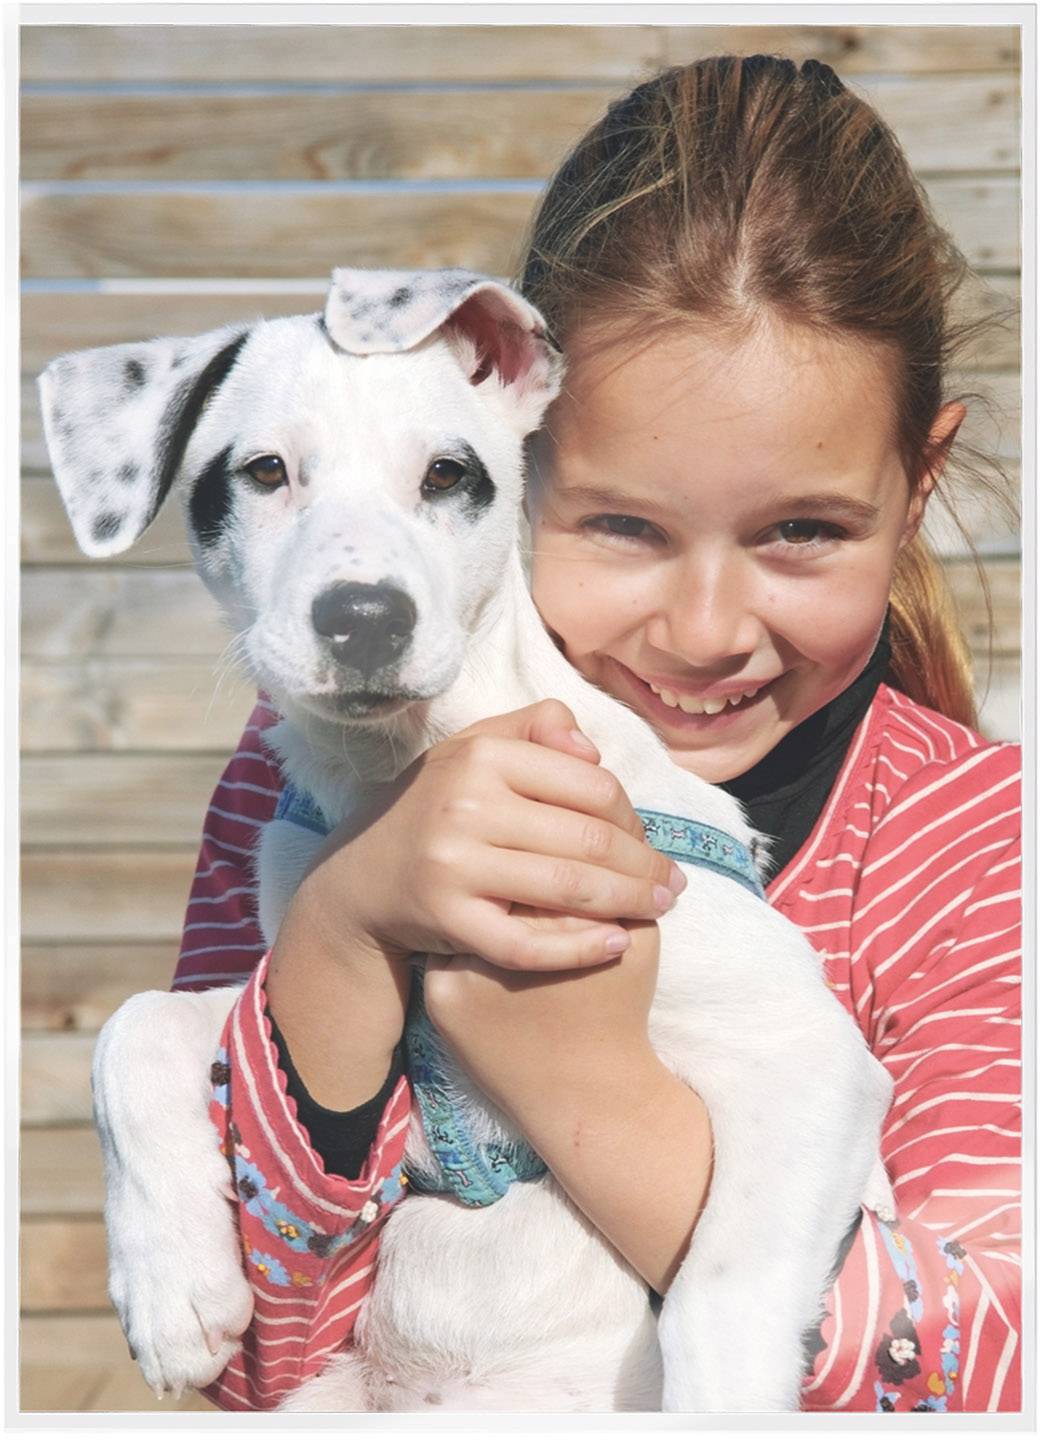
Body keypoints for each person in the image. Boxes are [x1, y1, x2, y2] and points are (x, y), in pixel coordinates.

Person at [171, 55, 1021, 1412]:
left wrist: (582, 1077)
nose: (704, 629)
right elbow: (241, 1357)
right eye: (621, 526)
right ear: (504, 452)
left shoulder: (980, 853)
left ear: (916, 485)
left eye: (802, 530)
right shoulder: (309, 776)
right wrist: (340, 935)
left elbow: (994, 1369)